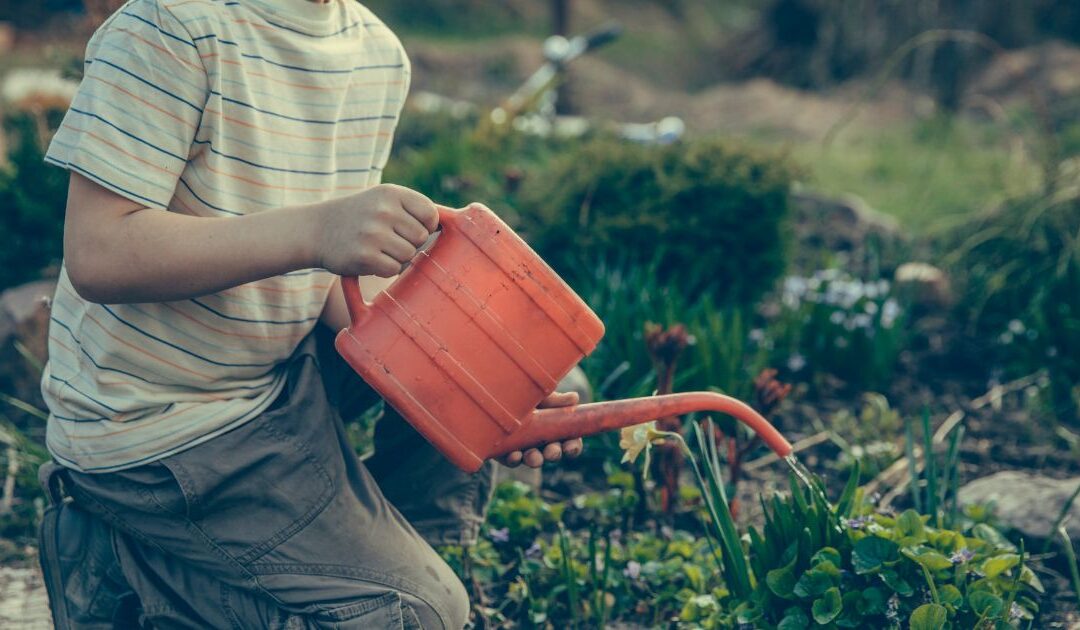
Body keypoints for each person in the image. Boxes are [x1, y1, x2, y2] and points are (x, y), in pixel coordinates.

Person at [35, 0, 583, 627]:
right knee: (417, 615)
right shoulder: (172, 26)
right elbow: (99, 253)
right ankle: (138, 566)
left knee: (489, 373)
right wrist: (320, 228)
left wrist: (478, 392)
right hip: (157, 423)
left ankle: (370, 570)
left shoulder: (376, 54)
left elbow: (325, 272)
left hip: (276, 376)